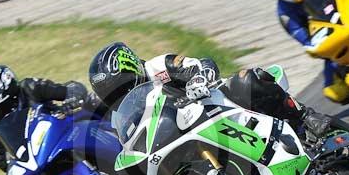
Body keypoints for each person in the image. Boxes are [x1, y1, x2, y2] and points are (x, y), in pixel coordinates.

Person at [87, 42, 333, 144]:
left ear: (133, 70)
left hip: (218, 105)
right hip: (187, 136)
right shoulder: (127, 111)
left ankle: (305, 117)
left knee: (245, 80)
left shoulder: (158, 66)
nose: (122, 95)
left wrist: (199, 79)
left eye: (122, 86)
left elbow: (201, 63)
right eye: (113, 95)